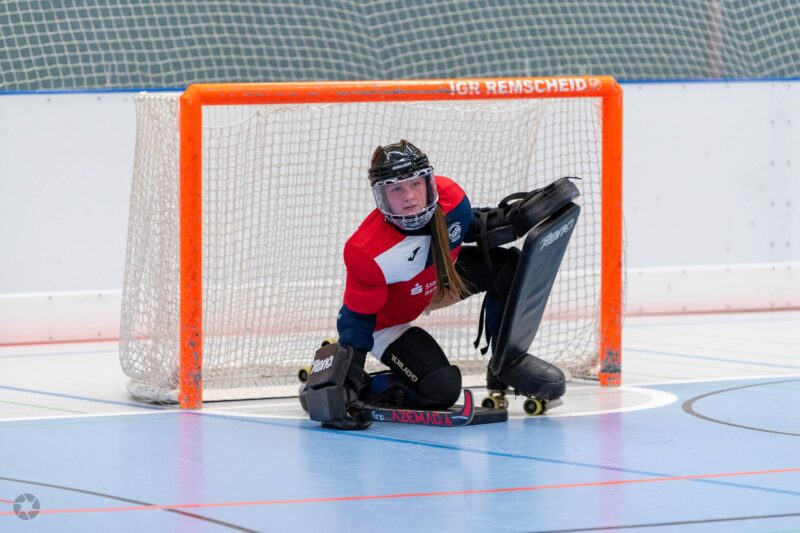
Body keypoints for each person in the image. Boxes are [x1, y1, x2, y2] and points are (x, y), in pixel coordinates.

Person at [300, 140, 578, 429]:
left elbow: (471, 227)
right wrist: (344, 381)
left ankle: (506, 365)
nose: (410, 196)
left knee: (509, 267)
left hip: (438, 280)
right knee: (441, 388)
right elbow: (357, 321)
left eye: (415, 184)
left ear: (428, 183)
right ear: (381, 196)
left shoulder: (451, 198)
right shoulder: (367, 251)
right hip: (387, 322)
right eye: (396, 189)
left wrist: (515, 219)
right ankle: (341, 375)